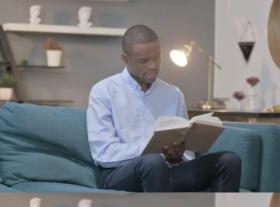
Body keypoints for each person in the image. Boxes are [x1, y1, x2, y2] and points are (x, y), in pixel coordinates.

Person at [87, 25, 242, 192]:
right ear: (125, 58)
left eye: (157, 57)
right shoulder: (103, 92)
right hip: (119, 174)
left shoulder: (173, 93)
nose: (153, 66)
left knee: (229, 160)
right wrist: (152, 149)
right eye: (144, 61)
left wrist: (176, 156)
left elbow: (187, 154)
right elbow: (104, 153)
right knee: (152, 162)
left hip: (169, 171)